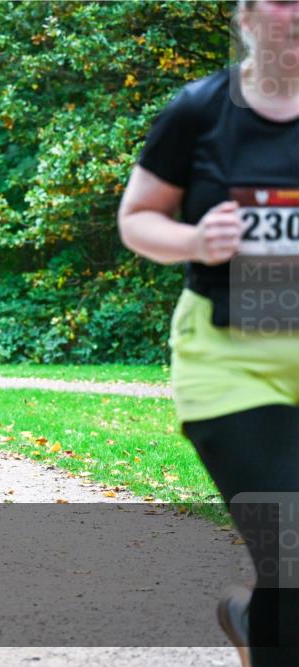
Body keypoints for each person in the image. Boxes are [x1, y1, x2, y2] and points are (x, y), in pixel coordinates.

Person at [118, 3, 298, 665]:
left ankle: (258, 621)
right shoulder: (200, 111)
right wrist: (196, 238)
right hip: (230, 361)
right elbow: (137, 219)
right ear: (246, 17)